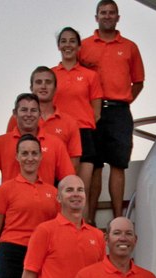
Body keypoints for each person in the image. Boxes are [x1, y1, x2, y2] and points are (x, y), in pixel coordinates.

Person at [78, 0, 144, 224]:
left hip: (119, 111)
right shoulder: (84, 46)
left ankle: (117, 218)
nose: (107, 16)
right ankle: (90, 219)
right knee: (93, 165)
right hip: (90, 111)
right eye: (103, 13)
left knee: (118, 164)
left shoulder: (130, 47)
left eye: (111, 13)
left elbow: (138, 82)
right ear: (96, 17)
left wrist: (122, 101)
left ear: (118, 17)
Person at [0, 134, 60, 278]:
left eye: (35, 153)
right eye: (25, 153)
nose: (30, 158)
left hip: (40, 255)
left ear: (41, 157)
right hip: (11, 252)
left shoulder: (53, 193)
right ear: (17, 157)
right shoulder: (5, 189)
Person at [22, 175, 105, 278]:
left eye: (80, 190)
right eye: (69, 190)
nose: (76, 194)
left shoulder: (97, 235)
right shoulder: (45, 231)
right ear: (59, 198)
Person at [0, 93, 75, 203]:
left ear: (40, 114)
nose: (29, 114)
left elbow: (69, 181)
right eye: (24, 110)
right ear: (15, 113)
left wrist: (57, 205)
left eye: (33, 110)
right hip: (13, 217)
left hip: (47, 215)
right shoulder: (0, 143)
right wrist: (0, 204)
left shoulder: (55, 143)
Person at [53, 27, 104, 212]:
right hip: (57, 134)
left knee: (82, 187)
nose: (68, 45)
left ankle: (83, 225)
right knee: (58, 184)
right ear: (59, 46)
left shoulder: (91, 76)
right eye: (64, 41)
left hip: (84, 134)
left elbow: (96, 112)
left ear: (79, 46)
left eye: (72, 41)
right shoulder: (51, 75)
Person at [6, 67, 83, 170]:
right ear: (31, 88)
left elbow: (74, 162)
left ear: (55, 88)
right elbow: (9, 151)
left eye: (48, 82)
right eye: (38, 82)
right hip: (21, 179)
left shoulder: (69, 122)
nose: (43, 86)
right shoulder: (17, 118)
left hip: (56, 182)